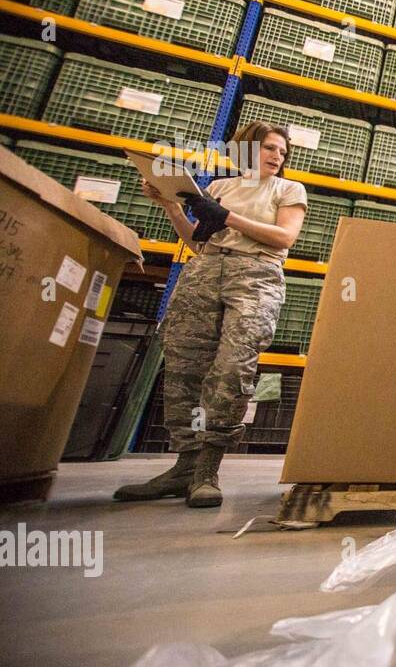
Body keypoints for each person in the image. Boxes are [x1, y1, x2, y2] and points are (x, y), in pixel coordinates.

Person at [114, 121, 308, 508]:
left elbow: (285, 238)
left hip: (255, 276)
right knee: (186, 368)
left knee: (232, 368)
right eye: (269, 148)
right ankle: (185, 465)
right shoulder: (219, 188)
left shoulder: (288, 190)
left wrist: (226, 217)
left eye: (282, 152)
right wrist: (171, 204)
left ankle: (207, 470)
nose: (277, 156)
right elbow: (198, 241)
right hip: (204, 272)